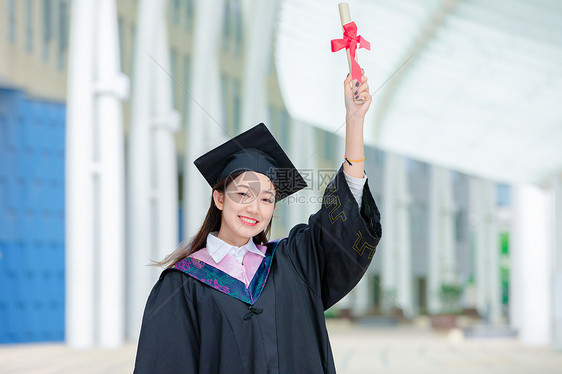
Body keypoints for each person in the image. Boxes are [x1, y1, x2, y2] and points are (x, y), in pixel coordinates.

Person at [133, 72, 382, 373]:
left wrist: (354, 121)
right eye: (243, 194)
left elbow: (338, 228)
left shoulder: (294, 263)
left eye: (266, 199)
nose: (254, 208)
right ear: (219, 198)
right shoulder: (182, 284)